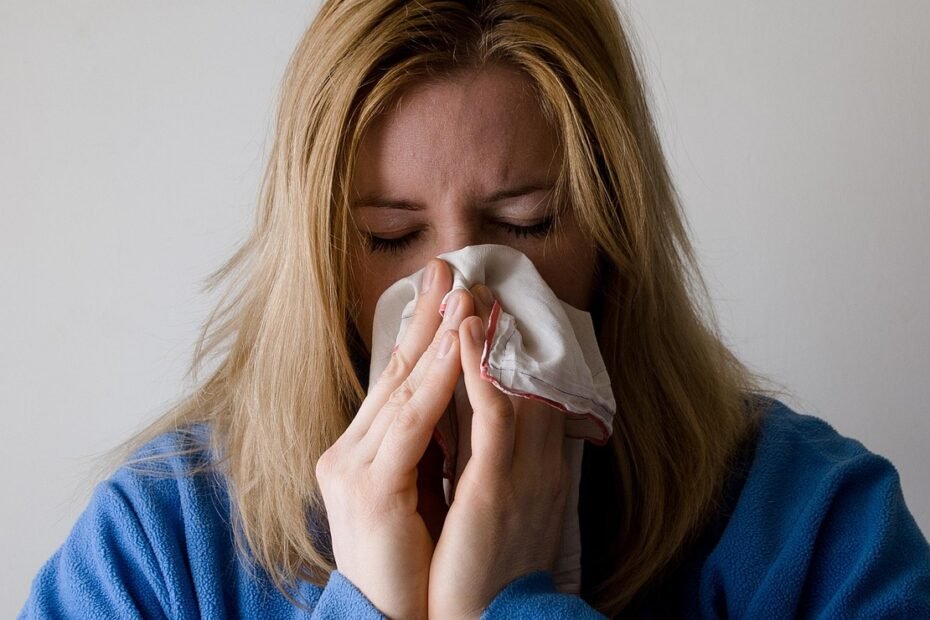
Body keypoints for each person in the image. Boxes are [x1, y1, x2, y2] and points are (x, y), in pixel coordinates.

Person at [20, 0, 930, 618]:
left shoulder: (819, 529)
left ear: (615, 235)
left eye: (525, 225)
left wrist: (516, 599)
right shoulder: (160, 548)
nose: (457, 303)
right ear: (319, 261)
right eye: (387, 237)